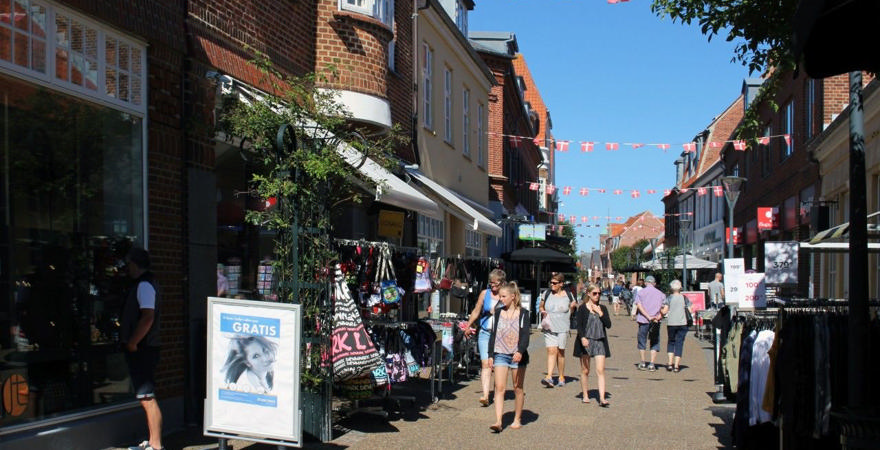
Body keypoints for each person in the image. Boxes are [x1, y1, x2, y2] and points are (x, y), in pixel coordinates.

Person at [120, 247, 164, 450]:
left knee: (147, 397)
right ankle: (152, 442)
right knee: (145, 396)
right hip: (146, 346)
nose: (126, 268)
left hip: (144, 347)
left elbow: (148, 317)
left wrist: (133, 342)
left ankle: (156, 445)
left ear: (134, 264)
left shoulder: (144, 285)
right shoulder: (146, 283)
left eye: (128, 264)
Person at [487, 282, 530, 432]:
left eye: (504, 296)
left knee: (518, 388)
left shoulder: (523, 313)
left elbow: (525, 335)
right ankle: (498, 421)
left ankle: (517, 418)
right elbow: (493, 334)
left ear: (513, 297)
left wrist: (520, 351)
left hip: (517, 356)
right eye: (500, 296)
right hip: (500, 354)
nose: (501, 299)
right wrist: (490, 354)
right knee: (500, 388)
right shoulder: (498, 313)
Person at [465, 268, 506, 406]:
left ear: (502, 283)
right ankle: (485, 395)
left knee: (497, 364)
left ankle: (497, 393)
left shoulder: (506, 294)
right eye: (491, 283)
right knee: (485, 363)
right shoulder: (485, 293)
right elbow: (477, 310)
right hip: (485, 332)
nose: (492, 286)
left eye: (495, 284)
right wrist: (468, 325)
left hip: (500, 334)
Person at [573, 283, 611, 407]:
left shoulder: (602, 308)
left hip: (599, 340)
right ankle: (585, 394)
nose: (597, 296)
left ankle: (602, 398)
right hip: (587, 341)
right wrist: (582, 337)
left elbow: (608, 325)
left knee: (600, 370)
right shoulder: (582, 308)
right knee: (585, 370)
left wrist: (600, 313)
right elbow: (579, 325)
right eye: (594, 293)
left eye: (599, 293)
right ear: (588, 294)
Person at [538, 273, 578, 388]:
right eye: (551, 283)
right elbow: (541, 306)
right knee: (551, 351)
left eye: (555, 283)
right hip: (549, 327)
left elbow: (572, 309)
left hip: (563, 328)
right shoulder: (546, 293)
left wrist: (572, 307)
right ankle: (549, 376)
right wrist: (542, 311)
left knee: (560, 353)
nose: (552, 285)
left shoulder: (569, 295)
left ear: (561, 284)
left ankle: (561, 376)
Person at [661, 279, 694, 373]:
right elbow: (691, 310)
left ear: (671, 288)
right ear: (680, 288)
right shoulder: (684, 298)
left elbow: (664, 311)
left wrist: (660, 310)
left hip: (671, 323)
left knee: (671, 342)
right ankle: (676, 365)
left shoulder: (669, 298)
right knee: (679, 343)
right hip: (683, 322)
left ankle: (670, 363)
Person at [634, 275, 664, 372]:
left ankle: (643, 362)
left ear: (646, 283)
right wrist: (658, 316)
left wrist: (647, 316)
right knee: (654, 341)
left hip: (643, 320)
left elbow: (639, 305)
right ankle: (652, 363)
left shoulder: (641, 292)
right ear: (654, 284)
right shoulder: (661, 294)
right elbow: (664, 308)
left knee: (642, 340)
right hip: (655, 321)